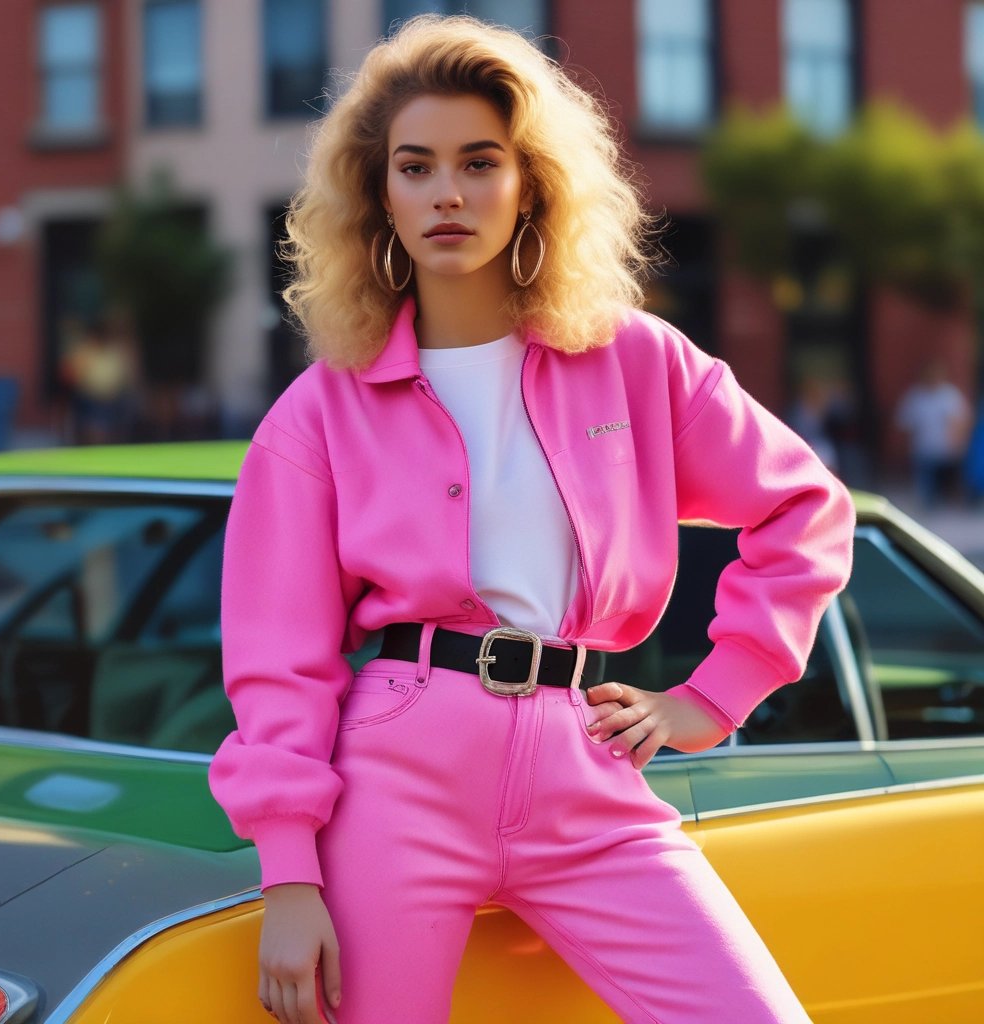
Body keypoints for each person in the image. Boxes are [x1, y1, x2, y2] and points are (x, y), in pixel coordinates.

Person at [209, 16, 855, 1024]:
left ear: (531, 184)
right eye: (415, 167)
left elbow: (804, 505)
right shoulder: (319, 413)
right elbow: (277, 660)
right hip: (396, 785)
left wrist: (712, 695)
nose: (448, 193)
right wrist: (289, 873)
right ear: (380, 194)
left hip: (585, 769)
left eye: (480, 162)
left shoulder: (635, 361)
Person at [895, 359, 972, 508]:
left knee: (950, 481)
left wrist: (959, 442)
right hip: (923, 447)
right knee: (925, 480)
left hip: (947, 448)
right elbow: (905, 423)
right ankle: (927, 504)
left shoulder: (950, 395)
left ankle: (952, 503)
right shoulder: (915, 396)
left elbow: (962, 420)